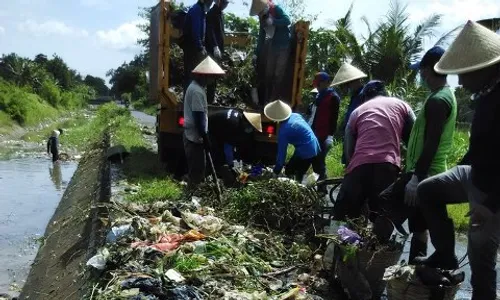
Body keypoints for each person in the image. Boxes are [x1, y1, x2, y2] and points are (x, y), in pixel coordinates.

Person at [415, 21, 500, 300]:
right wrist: (459, 168)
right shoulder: (487, 93)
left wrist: (488, 206)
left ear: (483, 66)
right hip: (474, 173)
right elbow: (482, 145)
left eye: (463, 73)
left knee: (481, 261)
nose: (460, 81)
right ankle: (445, 254)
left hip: (493, 190)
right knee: (427, 190)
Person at [400, 46, 457, 262]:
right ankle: (417, 269)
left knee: (390, 204)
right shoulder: (442, 95)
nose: (420, 75)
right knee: (420, 224)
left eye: (422, 71)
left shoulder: (438, 100)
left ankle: (443, 259)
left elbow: (431, 143)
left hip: (426, 173)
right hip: (425, 171)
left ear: (429, 70)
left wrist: (416, 178)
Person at [331, 81, 416, 223]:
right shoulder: (402, 105)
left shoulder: (358, 111)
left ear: (365, 97)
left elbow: (349, 146)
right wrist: (410, 168)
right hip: (388, 165)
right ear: (385, 94)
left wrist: (351, 169)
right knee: (382, 214)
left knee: (343, 214)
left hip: (359, 165)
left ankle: (338, 242)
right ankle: (378, 243)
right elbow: (414, 138)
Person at [183, 56, 225, 189]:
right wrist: (205, 138)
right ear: (204, 76)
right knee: (197, 170)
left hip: (195, 136)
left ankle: (192, 193)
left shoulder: (196, 88)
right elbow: (199, 117)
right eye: (211, 77)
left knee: (199, 169)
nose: (212, 81)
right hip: (194, 137)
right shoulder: (196, 91)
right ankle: (190, 195)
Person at [264, 100, 321, 181]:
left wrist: (276, 171)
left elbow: (282, 154)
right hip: (314, 144)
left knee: (295, 173)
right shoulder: (295, 115)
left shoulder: (284, 131)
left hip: (306, 151)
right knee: (290, 168)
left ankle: (297, 189)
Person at [250, 0, 291, 105]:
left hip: (284, 45)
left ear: (264, 8)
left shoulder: (276, 9)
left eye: (260, 12)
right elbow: (261, 38)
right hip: (273, 46)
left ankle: (274, 100)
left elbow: (287, 21)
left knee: (278, 75)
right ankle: (266, 99)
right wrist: (256, 53)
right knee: (268, 74)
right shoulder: (262, 20)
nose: (259, 15)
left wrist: (274, 21)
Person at [307, 72, 341, 191]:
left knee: (320, 162)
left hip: (324, 135)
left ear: (326, 83)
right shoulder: (319, 97)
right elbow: (313, 116)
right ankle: (319, 188)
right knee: (315, 162)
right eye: (317, 84)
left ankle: (322, 190)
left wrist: (330, 135)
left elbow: (334, 118)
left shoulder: (333, 97)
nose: (318, 86)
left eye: (320, 84)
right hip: (315, 133)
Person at [329, 63, 368, 165]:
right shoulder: (355, 96)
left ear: (351, 83)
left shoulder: (363, 95)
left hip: (359, 142)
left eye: (345, 85)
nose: (345, 88)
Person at [182, 0, 214, 94]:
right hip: (192, 48)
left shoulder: (200, 11)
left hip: (194, 46)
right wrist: (200, 47)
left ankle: (191, 101)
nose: (211, 3)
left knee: (194, 75)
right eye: (210, 2)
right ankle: (190, 102)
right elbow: (195, 31)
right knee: (193, 75)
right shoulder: (196, 10)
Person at [205, 0, 229, 104]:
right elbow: (210, 31)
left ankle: (211, 97)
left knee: (215, 75)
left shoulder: (220, 14)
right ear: (219, 2)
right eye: (225, 3)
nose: (225, 5)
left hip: (218, 50)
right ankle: (209, 100)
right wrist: (215, 46)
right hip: (212, 49)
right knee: (211, 75)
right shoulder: (211, 13)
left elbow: (221, 32)